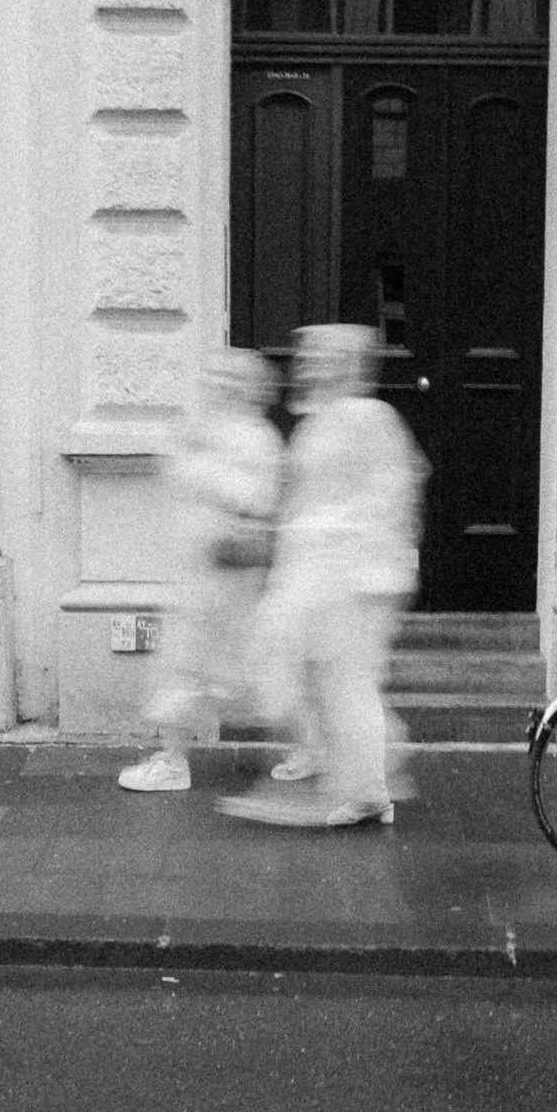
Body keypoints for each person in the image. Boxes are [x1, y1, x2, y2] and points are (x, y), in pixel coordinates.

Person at [218, 324, 426, 828]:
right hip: (326, 574)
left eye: (317, 356)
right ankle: (370, 774)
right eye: (305, 356)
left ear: (346, 364)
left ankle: (368, 788)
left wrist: (322, 539)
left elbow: (393, 491)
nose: (305, 364)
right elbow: (305, 499)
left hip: (360, 578)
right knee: (331, 678)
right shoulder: (321, 420)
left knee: (346, 681)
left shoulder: (368, 417)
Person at [117, 350, 286, 793]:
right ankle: (309, 746)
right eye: (215, 375)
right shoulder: (208, 430)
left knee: (187, 665)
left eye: (232, 378)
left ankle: (173, 763)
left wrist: (199, 467)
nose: (220, 384)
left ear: (253, 388)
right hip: (204, 573)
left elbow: (255, 499)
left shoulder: (255, 437)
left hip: (221, 574)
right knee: (232, 670)